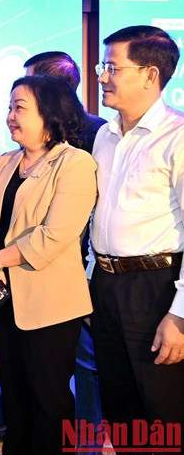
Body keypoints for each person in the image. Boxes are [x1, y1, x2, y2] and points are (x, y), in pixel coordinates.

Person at [0, 75, 97, 455]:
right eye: (10, 107)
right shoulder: (5, 162)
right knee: (15, 398)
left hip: (51, 304)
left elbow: (54, 235)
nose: (10, 116)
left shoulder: (75, 163)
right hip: (5, 299)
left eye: (19, 108)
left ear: (49, 112)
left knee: (49, 401)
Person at [90, 25, 184, 440]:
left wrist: (180, 315)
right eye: (103, 67)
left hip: (157, 287)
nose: (102, 77)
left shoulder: (177, 136)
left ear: (150, 75)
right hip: (106, 285)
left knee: (163, 410)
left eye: (113, 67)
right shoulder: (104, 135)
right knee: (120, 408)